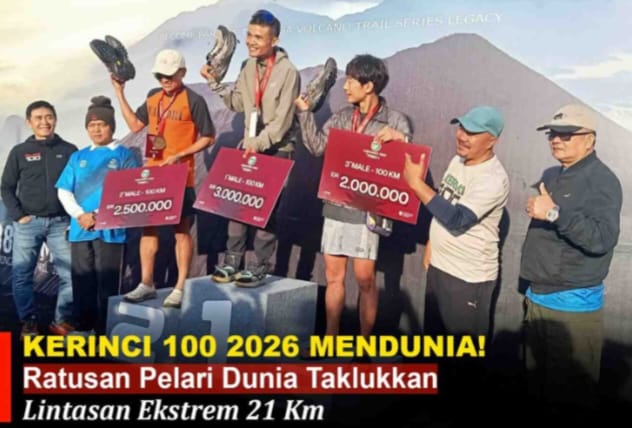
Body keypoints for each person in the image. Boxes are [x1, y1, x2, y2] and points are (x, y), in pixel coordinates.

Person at [294, 54, 413, 340]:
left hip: (368, 212)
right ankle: (330, 339)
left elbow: (409, 167)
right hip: (336, 205)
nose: (345, 87)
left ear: (368, 86)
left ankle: (363, 347)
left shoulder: (395, 120)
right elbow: (317, 147)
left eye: (350, 81)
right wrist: (305, 114)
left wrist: (402, 140)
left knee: (365, 281)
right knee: (334, 278)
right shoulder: (342, 117)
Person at [520, 104, 622, 412]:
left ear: (590, 139)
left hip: (572, 311)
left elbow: (602, 238)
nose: (556, 139)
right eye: (552, 133)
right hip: (537, 299)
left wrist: (553, 212)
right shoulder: (553, 174)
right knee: (536, 391)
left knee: (570, 402)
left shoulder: (603, 181)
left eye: (566, 134)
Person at [201, 9, 300, 287]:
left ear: (274, 40)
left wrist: (256, 143)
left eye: (258, 37)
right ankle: (232, 261)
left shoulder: (288, 72)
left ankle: (260, 265)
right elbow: (237, 103)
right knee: (237, 206)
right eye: (249, 35)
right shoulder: (247, 67)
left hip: (276, 149)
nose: (251, 41)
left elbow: (282, 122)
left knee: (265, 210)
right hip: (250, 146)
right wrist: (214, 83)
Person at [111, 49, 216, 308]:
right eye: (160, 75)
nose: (165, 80)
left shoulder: (194, 100)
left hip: (180, 176)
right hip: (154, 174)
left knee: (181, 231)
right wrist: (119, 92)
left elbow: (208, 136)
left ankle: (180, 286)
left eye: (170, 75)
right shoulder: (152, 97)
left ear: (182, 73)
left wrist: (180, 154)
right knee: (148, 229)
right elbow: (136, 126)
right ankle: (147, 283)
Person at [403, 105, 508, 339]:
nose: (462, 136)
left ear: (492, 140)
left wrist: (416, 184)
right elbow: (444, 202)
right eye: (461, 128)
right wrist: (432, 242)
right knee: (435, 345)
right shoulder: (458, 160)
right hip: (440, 267)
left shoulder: (492, 179)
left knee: (461, 354)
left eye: (472, 133)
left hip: (467, 279)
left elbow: (457, 219)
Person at [55, 96, 140, 334]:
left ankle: (104, 331)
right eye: (91, 125)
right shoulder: (78, 157)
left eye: (101, 124)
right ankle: (82, 328)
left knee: (107, 284)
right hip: (80, 228)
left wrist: (98, 214)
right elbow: (63, 190)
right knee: (82, 281)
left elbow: (130, 190)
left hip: (111, 229)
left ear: (111, 126)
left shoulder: (124, 155)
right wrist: (81, 215)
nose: (96, 129)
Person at [0, 100, 77, 338]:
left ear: (55, 119)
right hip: (28, 224)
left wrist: (73, 216)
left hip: (60, 223)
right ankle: (28, 321)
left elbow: (78, 185)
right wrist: (19, 216)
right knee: (22, 276)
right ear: (29, 122)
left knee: (71, 275)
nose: (44, 122)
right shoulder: (19, 152)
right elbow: (6, 187)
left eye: (48, 117)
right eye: (38, 118)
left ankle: (60, 321)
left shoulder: (70, 150)